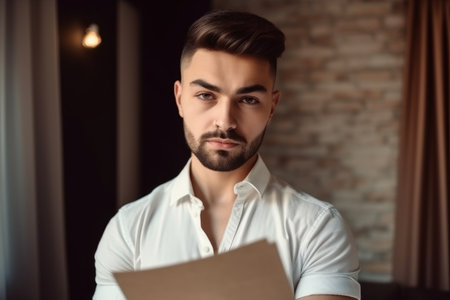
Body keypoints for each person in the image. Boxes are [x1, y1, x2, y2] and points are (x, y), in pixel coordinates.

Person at [93, 10, 360, 300]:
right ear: (180, 99)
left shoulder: (318, 227)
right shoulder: (128, 230)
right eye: (206, 95)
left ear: (272, 106)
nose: (225, 121)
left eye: (248, 100)